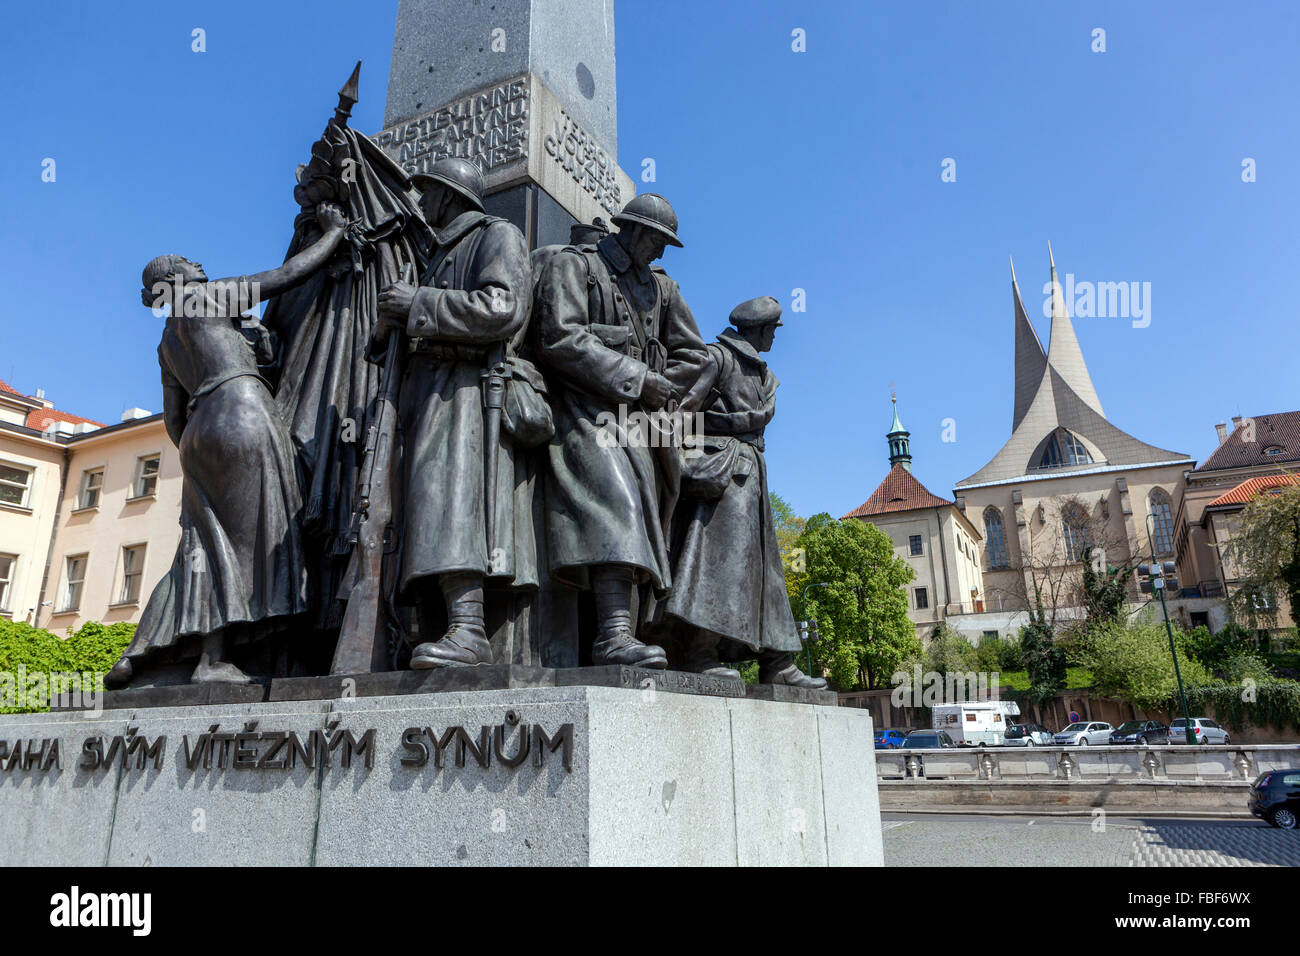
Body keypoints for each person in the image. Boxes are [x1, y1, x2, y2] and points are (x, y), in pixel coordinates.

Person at [106, 202, 350, 687]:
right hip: (242, 412)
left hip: (198, 434)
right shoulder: (206, 296)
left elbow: (173, 419)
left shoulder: (167, 341)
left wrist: (200, 456)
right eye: (188, 262)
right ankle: (221, 659)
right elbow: (284, 276)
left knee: (203, 545)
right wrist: (333, 235)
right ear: (174, 279)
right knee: (258, 538)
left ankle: (147, 650)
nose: (198, 264)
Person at [532, 193, 707, 667]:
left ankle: (627, 632)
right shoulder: (576, 266)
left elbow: (695, 356)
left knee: (648, 512)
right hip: (580, 410)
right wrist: (638, 378)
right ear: (631, 230)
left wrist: (664, 389)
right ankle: (611, 635)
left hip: (640, 424)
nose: (661, 250)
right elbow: (559, 338)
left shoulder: (661, 288)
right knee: (619, 504)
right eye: (656, 239)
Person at [372, 158, 534, 668]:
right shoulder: (433, 253)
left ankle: (470, 629)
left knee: (454, 504)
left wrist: (418, 302)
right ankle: (432, 625)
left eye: (428, 193)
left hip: (466, 392)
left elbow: (502, 308)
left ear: (448, 196)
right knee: (426, 508)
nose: (421, 203)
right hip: (425, 395)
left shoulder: (496, 234)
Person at [667, 296, 827, 688]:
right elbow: (677, 414)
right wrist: (691, 462)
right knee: (719, 567)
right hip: (722, 475)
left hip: (753, 475)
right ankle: (699, 653)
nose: (774, 337)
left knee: (765, 571)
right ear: (759, 329)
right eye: (772, 330)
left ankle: (777, 661)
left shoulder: (760, 371)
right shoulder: (717, 358)